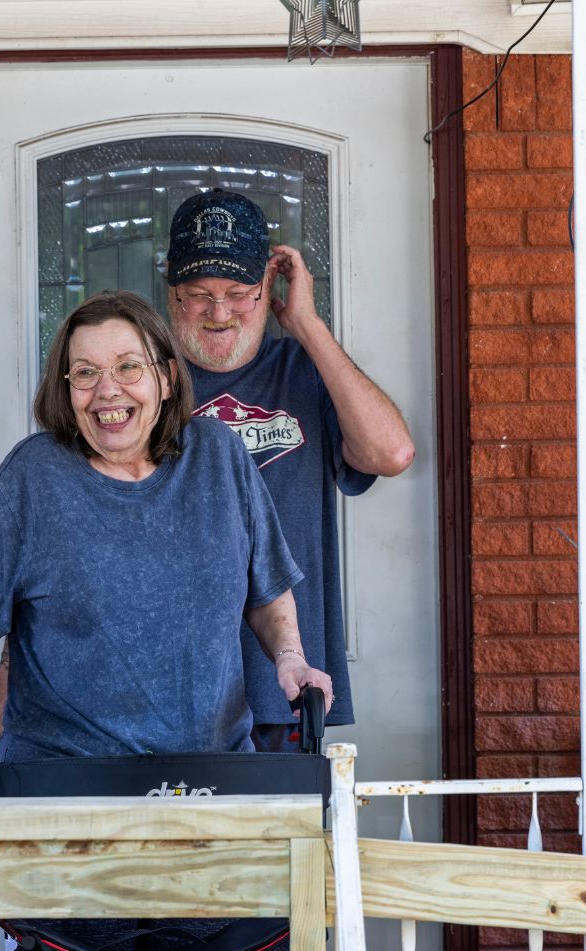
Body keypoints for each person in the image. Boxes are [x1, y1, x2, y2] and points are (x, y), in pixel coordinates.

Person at [0, 288, 332, 758]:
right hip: (67, 776)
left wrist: (292, 659)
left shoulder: (218, 455)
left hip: (210, 772)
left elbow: (267, 591)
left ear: (165, 378)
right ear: (67, 389)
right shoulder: (32, 475)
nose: (108, 390)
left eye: (128, 366)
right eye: (85, 373)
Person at [166, 188, 415, 751]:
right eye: (199, 294)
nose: (220, 312)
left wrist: (304, 323)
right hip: (172, 686)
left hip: (288, 683)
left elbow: (390, 453)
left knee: (288, 838)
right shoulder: (142, 385)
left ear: (267, 288)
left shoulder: (303, 371)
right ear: (172, 291)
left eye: (239, 293)